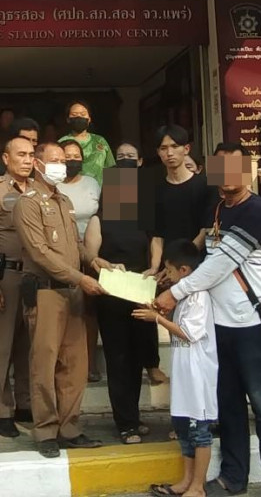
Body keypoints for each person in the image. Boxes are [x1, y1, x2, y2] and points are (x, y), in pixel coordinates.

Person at [154, 143, 261, 497]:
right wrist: (172, 272)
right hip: (217, 329)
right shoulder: (216, 211)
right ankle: (233, 476)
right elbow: (202, 259)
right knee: (227, 406)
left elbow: (220, 265)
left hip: (250, 327)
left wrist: (175, 292)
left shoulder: (254, 211)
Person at [15, 142, 109, 458]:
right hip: (46, 292)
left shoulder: (64, 200)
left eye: (63, 161)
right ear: (38, 164)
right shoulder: (28, 203)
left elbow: (75, 245)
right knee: (44, 363)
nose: (61, 165)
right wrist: (80, 278)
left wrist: (94, 261)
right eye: (54, 160)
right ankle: (45, 431)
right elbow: (40, 252)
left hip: (73, 292)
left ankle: (69, 428)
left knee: (75, 364)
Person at [133, 239, 217, 497]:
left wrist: (157, 318)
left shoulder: (199, 296)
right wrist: (157, 310)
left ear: (184, 270)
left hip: (198, 375)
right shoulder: (181, 297)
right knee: (183, 429)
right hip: (183, 373)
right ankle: (186, 480)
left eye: (169, 271)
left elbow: (189, 333)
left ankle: (198, 486)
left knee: (199, 431)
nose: (167, 276)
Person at [90, 146, 155, 444]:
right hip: (112, 296)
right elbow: (91, 256)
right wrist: (105, 263)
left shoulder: (144, 218)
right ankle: (125, 423)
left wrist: (154, 267)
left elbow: (154, 246)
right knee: (118, 359)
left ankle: (134, 415)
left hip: (140, 294)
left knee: (137, 357)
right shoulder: (99, 219)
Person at [0, 135, 36, 438]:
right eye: (21, 154)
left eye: (31, 154)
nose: (27, 160)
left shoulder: (39, 188)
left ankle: (25, 403)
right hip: (8, 276)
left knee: (29, 345)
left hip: (35, 277)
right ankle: (2, 410)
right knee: (3, 345)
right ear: (6, 158)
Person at [114, 141, 167, 387]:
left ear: (140, 161)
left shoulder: (148, 190)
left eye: (130, 155)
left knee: (146, 318)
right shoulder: (110, 188)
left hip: (142, 268)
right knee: (120, 324)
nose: (125, 159)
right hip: (115, 268)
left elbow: (156, 235)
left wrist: (154, 266)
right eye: (120, 156)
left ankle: (152, 365)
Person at [57, 138, 102, 382]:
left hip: (92, 254)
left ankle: (91, 363)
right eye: (67, 157)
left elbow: (105, 213)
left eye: (76, 156)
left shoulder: (92, 183)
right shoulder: (53, 186)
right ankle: (66, 364)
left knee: (90, 311)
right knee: (66, 310)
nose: (72, 160)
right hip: (62, 256)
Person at [149, 125, 214, 281]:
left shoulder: (206, 185)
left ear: (186, 149)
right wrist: (155, 267)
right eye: (163, 148)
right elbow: (157, 236)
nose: (169, 153)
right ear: (158, 152)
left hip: (198, 265)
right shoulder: (154, 190)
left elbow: (205, 231)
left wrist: (179, 263)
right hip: (168, 269)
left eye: (175, 146)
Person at [59, 100, 115, 186]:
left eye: (83, 114)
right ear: (68, 119)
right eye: (74, 115)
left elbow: (111, 168)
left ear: (89, 119)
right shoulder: (62, 142)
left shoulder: (100, 141)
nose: (79, 117)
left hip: (99, 191)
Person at [0, 118, 39, 184]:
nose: (30, 144)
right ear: (12, 139)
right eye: (26, 139)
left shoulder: (38, 168)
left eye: (34, 140)